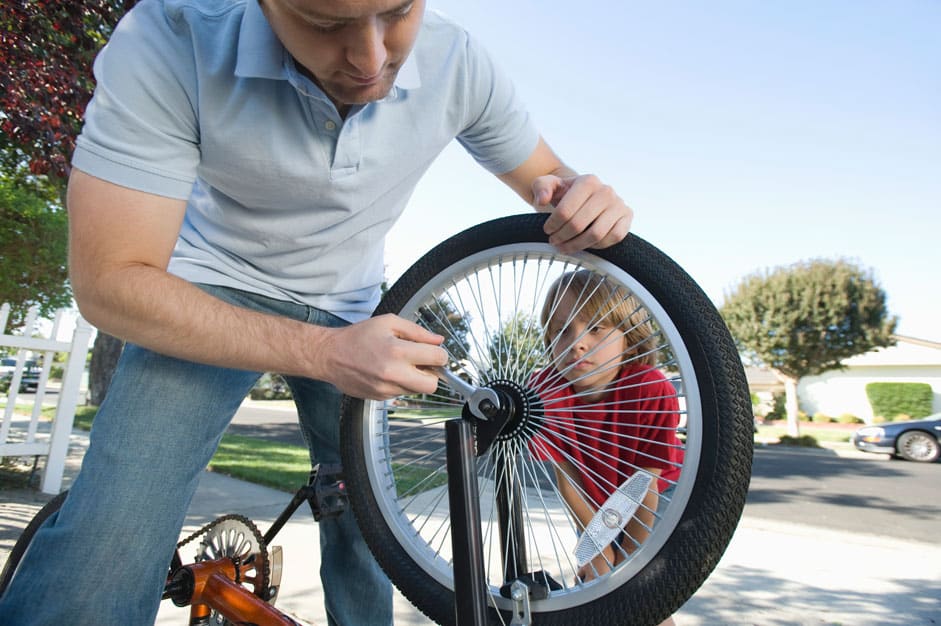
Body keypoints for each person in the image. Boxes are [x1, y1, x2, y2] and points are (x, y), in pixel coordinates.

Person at [0, 1, 634, 625]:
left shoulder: (457, 61)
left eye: (397, 12)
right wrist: (323, 353)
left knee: (371, 536)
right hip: (208, 291)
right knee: (110, 542)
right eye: (327, 24)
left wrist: (580, 197)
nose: (370, 58)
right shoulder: (171, 38)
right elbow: (109, 284)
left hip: (354, 304)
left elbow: (547, 177)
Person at [530, 270, 683, 614]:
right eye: (561, 330)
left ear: (630, 335)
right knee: (595, 587)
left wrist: (627, 564)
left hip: (655, 500)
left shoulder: (650, 388)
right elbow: (567, 476)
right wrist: (598, 552)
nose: (576, 342)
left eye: (595, 327)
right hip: (592, 496)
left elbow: (647, 482)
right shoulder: (546, 391)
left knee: (642, 602)